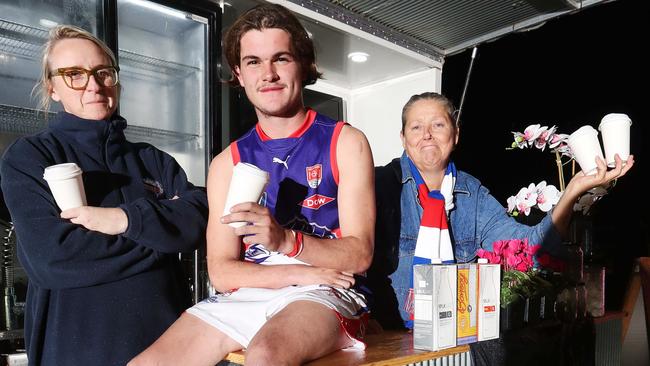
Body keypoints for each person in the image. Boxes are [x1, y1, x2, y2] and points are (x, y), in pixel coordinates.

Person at [129, 3, 375, 366]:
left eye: (281, 59)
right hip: (258, 287)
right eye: (254, 62)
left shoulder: (345, 142)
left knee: (265, 356)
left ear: (303, 65)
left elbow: (359, 255)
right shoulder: (227, 162)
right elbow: (223, 271)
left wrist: (286, 241)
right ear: (239, 75)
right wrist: (289, 267)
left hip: (325, 288)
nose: (268, 73)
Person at [0, 25, 208, 365]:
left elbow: (197, 221)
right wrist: (161, 235)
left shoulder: (152, 159)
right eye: (74, 75)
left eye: (103, 72)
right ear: (52, 87)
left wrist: (124, 220)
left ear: (117, 81)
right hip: (78, 351)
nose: (94, 85)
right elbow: (52, 258)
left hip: (168, 349)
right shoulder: (31, 157)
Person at [366, 92, 634, 329]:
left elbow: (529, 249)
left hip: (452, 339)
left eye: (438, 125)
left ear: (456, 134)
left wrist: (572, 192)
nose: (427, 134)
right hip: (388, 338)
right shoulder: (378, 186)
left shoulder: (473, 196)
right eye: (416, 127)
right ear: (403, 138)